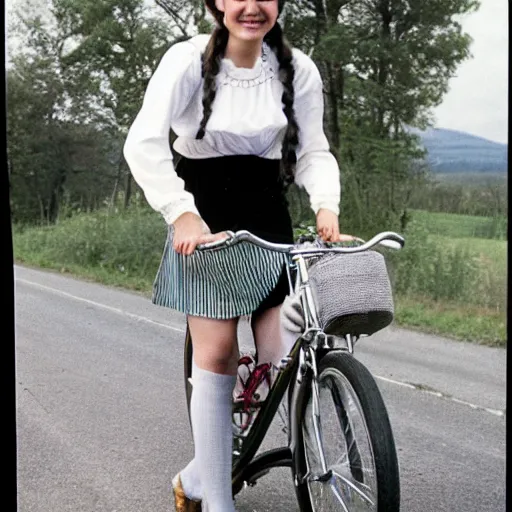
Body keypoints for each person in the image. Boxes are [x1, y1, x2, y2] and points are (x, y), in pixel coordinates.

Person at [123, 1, 344, 510]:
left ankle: (202, 471)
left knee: (280, 358)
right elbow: (143, 143)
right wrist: (180, 212)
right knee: (219, 352)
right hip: (203, 213)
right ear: (217, 2)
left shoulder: (298, 68)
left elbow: (312, 150)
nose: (252, 7)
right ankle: (217, 501)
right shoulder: (185, 60)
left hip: (268, 212)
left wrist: (326, 206)